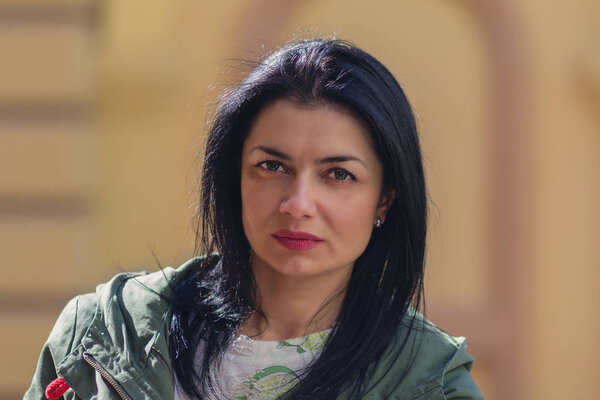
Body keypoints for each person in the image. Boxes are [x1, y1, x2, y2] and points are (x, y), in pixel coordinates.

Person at [26, 39, 483, 400]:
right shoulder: (101, 335)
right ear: (234, 176)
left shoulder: (429, 382)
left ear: (385, 200)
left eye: (338, 174)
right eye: (272, 166)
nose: (298, 203)